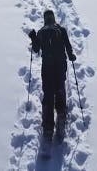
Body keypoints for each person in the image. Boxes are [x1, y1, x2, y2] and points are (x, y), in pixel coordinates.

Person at [28, 10, 76, 144]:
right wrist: (71, 55)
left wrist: (33, 37)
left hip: (47, 67)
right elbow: (67, 45)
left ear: (44, 19)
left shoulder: (41, 32)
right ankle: (61, 120)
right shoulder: (61, 29)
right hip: (60, 65)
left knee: (48, 94)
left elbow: (36, 49)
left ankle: (48, 128)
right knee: (60, 89)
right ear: (53, 18)